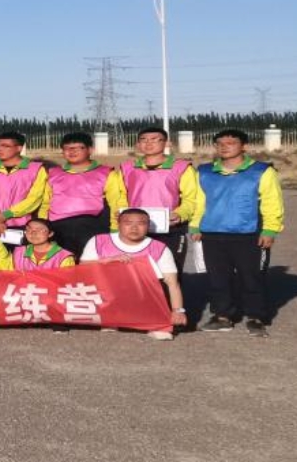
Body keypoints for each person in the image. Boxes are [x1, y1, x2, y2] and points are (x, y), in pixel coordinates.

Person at [190, 128, 284, 336]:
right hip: (212, 233)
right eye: (220, 144)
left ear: (244, 146)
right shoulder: (205, 172)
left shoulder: (261, 171)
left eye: (231, 143)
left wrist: (270, 229)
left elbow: (272, 202)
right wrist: (195, 225)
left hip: (248, 233)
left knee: (251, 277)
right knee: (217, 278)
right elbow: (199, 201)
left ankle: (256, 317)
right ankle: (222, 316)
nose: (224, 147)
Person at [81, 208, 186, 341]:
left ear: (148, 226)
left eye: (141, 223)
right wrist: (108, 260)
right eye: (128, 223)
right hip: (108, 293)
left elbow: (172, 283)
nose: (134, 228)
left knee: (162, 285)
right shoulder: (99, 240)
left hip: (142, 294)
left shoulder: (159, 248)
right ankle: (110, 319)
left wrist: (178, 311)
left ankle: (156, 323)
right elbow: (82, 267)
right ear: (118, 224)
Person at [107, 127, 199, 269]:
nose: (148, 143)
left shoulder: (181, 168)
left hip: (170, 228)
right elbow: (121, 197)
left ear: (167, 143)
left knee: (171, 270)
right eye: (144, 140)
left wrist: (180, 214)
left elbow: (191, 199)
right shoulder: (127, 168)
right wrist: (119, 218)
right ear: (138, 144)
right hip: (135, 229)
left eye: (155, 140)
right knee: (139, 271)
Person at [42, 133, 122, 256]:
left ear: (90, 150)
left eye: (78, 148)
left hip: (93, 226)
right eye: (67, 148)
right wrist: (42, 225)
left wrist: (115, 228)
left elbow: (116, 202)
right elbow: (45, 203)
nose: (72, 151)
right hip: (59, 228)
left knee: (91, 262)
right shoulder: (53, 174)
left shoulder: (106, 173)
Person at [0, 131, 49, 241]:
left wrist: (7, 214)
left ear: (19, 148)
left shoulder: (36, 169)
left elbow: (35, 198)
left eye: (5, 146)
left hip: (23, 225)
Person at [11, 217, 76, 270]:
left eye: (40, 230)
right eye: (29, 229)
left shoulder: (63, 257)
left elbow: (66, 280)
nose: (33, 233)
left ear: (50, 234)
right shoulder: (19, 252)